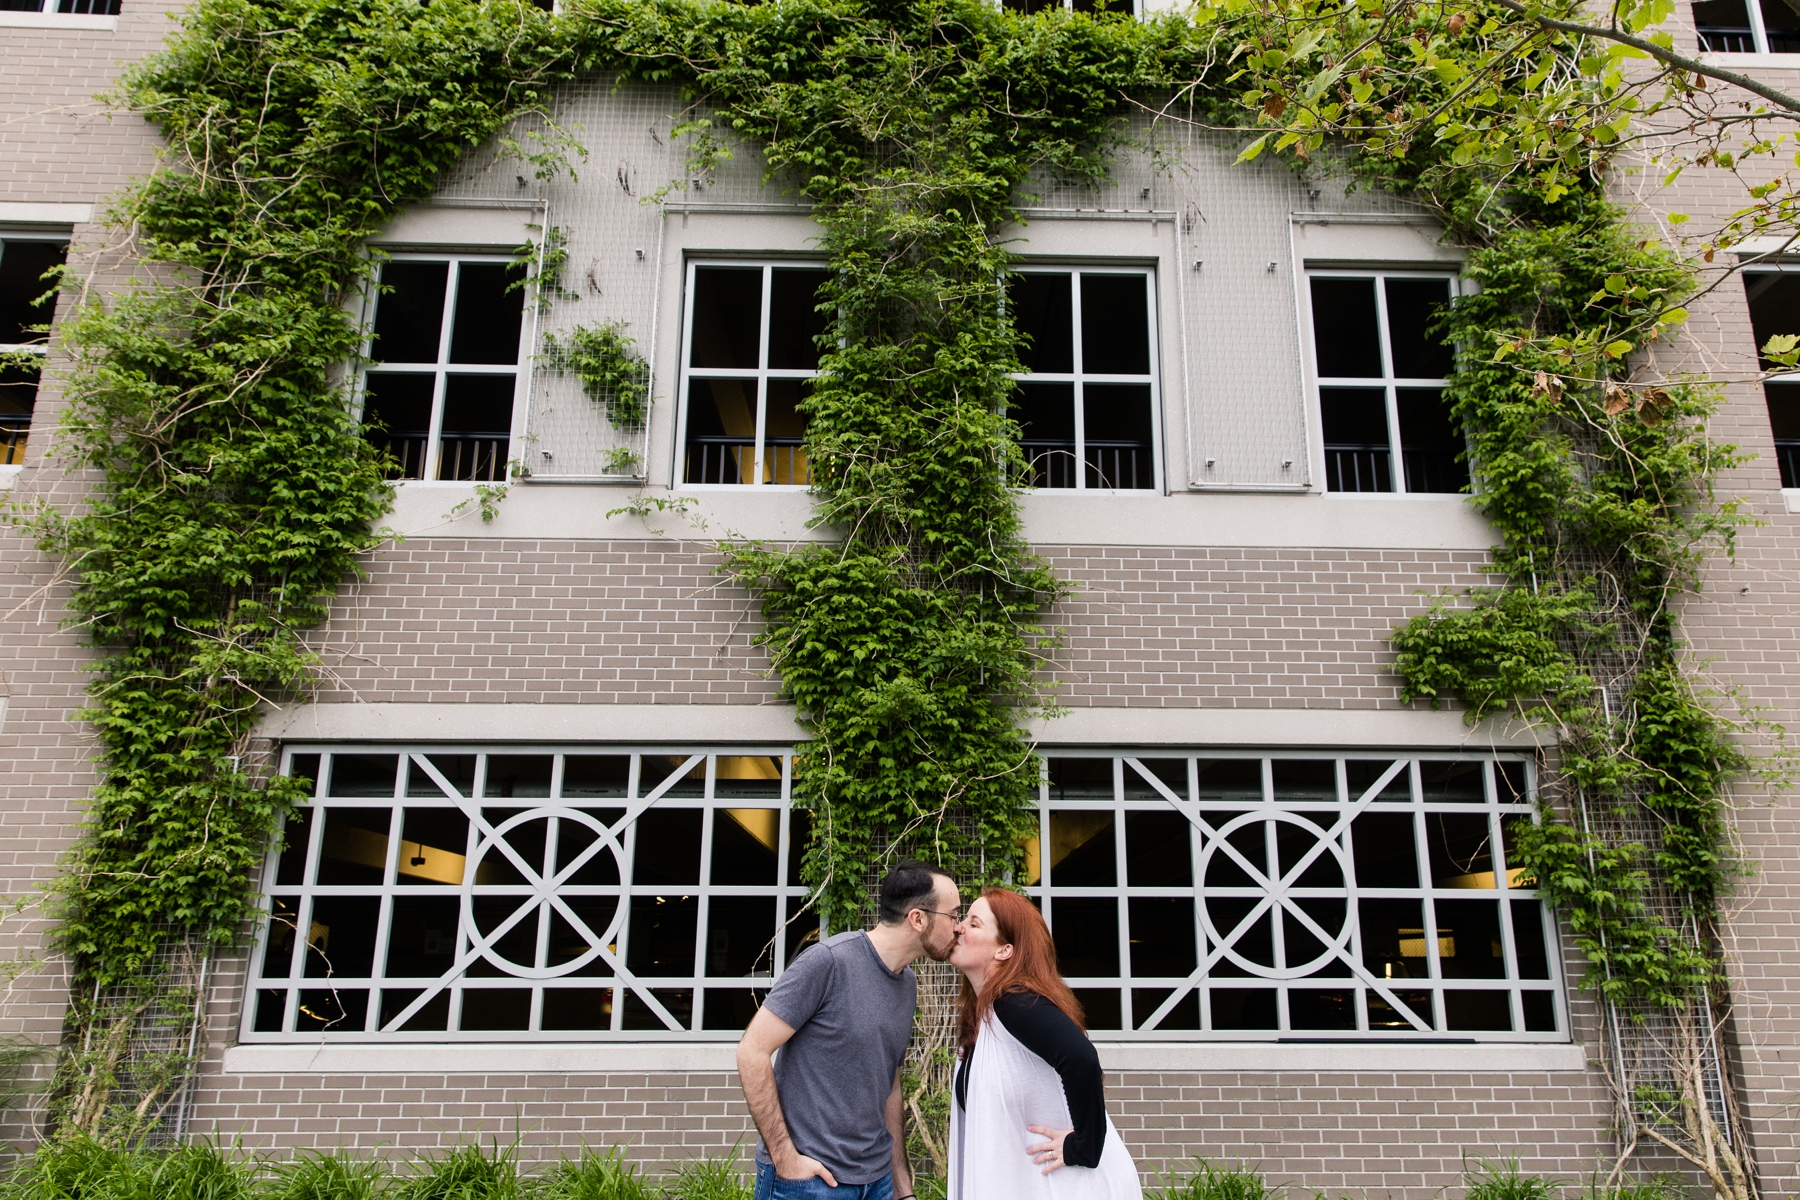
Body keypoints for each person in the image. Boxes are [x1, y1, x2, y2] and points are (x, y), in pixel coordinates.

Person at [737, 859, 963, 1200]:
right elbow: (751, 1051)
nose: (959, 927)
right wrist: (785, 1159)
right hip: (810, 1182)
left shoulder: (907, 983)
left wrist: (902, 1189)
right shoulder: (828, 962)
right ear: (918, 919)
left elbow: (890, 1086)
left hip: (877, 1182)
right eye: (955, 915)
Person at [947, 888, 1142, 1200]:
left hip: (1071, 1187)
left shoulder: (1013, 1002)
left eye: (974, 923)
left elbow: (1081, 1058)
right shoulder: (984, 1018)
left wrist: (1084, 1146)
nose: (959, 927)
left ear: (1004, 951)